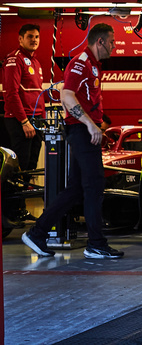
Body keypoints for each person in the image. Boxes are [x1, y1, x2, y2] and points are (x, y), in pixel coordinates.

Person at [23, 24, 122, 260]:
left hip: (84, 130)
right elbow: (66, 95)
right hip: (81, 131)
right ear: (100, 42)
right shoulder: (81, 62)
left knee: (76, 188)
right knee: (95, 186)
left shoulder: (94, 65)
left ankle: (37, 233)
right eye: (112, 42)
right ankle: (96, 244)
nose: (114, 46)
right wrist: (90, 125)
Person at [4, 24, 45, 174]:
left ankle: (26, 197)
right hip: (20, 121)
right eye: (30, 36)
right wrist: (24, 121)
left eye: (36, 37)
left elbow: (38, 94)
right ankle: (14, 198)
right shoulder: (15, 59)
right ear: (20, 39)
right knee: (21, 165)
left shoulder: (36, 62)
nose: (34, 40)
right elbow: (10, 94)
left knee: (32, 165)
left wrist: (43, 120)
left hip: (36, 120)